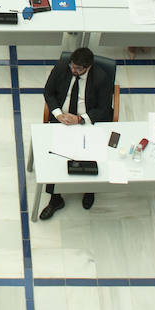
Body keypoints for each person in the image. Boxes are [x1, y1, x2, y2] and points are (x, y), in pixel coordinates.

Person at [38, 47, 115, 219]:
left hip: (86, 123)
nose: (74, 70)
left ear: (89, 67)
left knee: (90, 155)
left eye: (78, 69)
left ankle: (88, 189)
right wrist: (58, 114)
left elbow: (104, 109)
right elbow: (48, 92)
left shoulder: (101, 78)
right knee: (55, 157)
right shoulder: (61, 67)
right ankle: (55, 198)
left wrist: (80, 119)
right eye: (72, 66)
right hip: (61, 120)